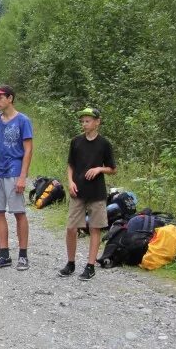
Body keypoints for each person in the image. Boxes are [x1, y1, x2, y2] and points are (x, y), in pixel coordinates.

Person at [59, 107, 116, 281]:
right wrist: (70, 182)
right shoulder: (75, 141)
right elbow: (70, 165)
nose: (84, 124)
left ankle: (90, 266)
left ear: (97, 122)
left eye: (88, 120)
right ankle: (70, 263)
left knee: (95, 228)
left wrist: (99, 168)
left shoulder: (104, 144)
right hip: (78, 191)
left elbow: (113, 169)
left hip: (97, 193)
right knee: (71, 228)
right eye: (82, 121)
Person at [0, 85, 33, 270]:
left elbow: (28, 150)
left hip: (14, 170)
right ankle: (4, 255)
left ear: (10, 98)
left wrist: (22, 176)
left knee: (19, 212)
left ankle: (23, 256)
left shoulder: (23, 121)